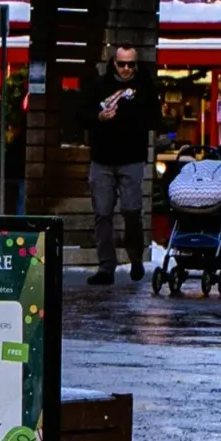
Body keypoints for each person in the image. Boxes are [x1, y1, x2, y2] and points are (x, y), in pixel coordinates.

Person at [81, 63, 151, 283]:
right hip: (102, 159)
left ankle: (136, 258)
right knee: (102, 214)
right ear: (114, 64)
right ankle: (106, 268)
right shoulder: (100, 85)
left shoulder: (144, 87)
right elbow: (81, 114)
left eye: (131, 64)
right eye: (122, 64)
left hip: (132, 159)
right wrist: (99, 117)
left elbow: (155, 118)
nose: (127, 68)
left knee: (132, 212)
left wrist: (133, 114)